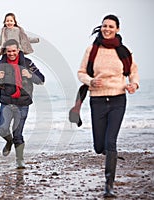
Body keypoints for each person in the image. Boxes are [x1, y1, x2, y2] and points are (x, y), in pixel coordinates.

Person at [77, 14, 139, 198]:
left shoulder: (124, 51)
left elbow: (133, 73)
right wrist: (90, 80)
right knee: (98, 146)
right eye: (104, 26)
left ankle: (109, 184)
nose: (107, 29)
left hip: (118, 100)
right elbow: (81, 72)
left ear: (117, 29)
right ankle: (109, 153)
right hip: (97, 100)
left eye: (111, 26)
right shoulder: (92, 50)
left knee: (110, 142)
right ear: (101, 27)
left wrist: (133, 84)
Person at [0, 39, 45, 169]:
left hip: (22, 102)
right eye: (9, 51)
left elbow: (41, 80)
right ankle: (9, 142)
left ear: (18, 50)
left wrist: (30, 75)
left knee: (18, 134)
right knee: (2, 129)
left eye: (14, 51)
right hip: (6, 101)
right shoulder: (1, 63)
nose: (11, 53)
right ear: (5, 51)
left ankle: (20, 160)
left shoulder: (28, 63)